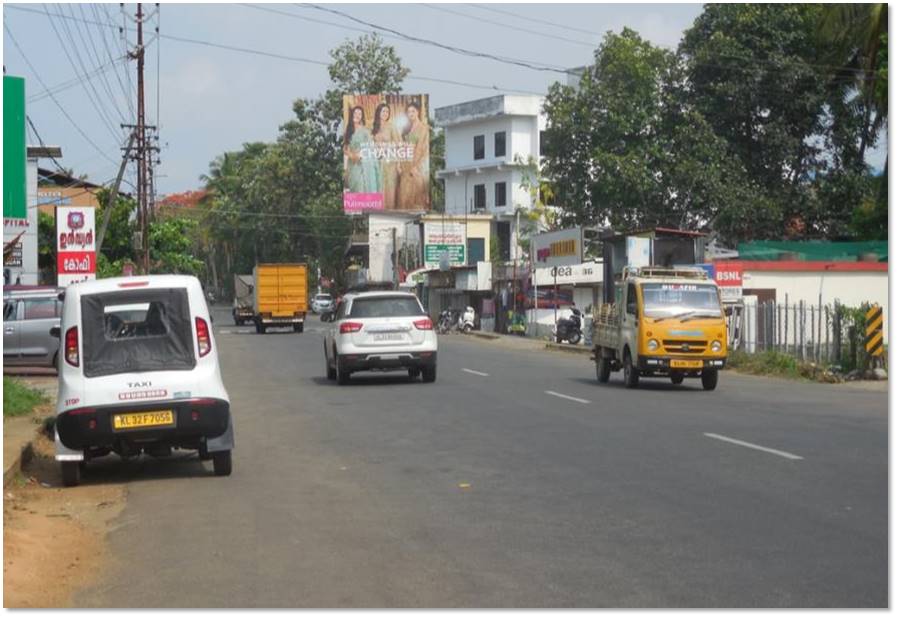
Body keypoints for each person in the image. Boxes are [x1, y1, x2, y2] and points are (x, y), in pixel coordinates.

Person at [396, 101, 430, 211]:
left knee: (416, 198)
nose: (411, 114)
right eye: (408, 112)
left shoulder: (423, 128)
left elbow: (423, 149)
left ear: (418, 112)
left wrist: (416, 166)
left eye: (413, 111)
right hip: (405, 165)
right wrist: (398, 164)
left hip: (416, 167)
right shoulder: (407, 129)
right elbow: (401, 147)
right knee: (403, 198)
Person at [343, 105, 381, 195]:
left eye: (359, 114)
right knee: (354, 187)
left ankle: (365, 207)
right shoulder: (347, 131)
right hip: (352, 163)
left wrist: (360, 154)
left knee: (361, 187)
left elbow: (370, 146)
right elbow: (345, 147)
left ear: (362, 117)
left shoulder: (365, 131)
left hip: (362, 163)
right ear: (351, 114)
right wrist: (351, 155)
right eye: (355, 113)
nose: (357, 115)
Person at [372, 102, 401, 210]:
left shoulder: (392, 126)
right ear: (378, 112)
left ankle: (390, 211)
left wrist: (398, 165)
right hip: (378, 163)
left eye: (387, 111)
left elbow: (399, 145)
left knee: (390, 190)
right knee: (379, 189)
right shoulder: (374, 127)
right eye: (383, 111)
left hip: (390, 163)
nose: (385, 113)